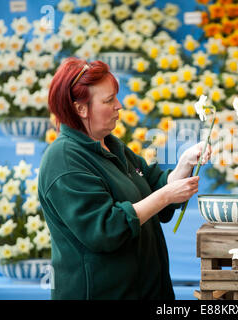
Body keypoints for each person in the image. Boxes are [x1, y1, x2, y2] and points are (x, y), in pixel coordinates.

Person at [38, 57, 211, 300]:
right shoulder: (64, 159)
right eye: (109, 100)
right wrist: (165, 196)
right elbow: (106, 229)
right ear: (81, 109)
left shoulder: (111, 145)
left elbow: (154, 188)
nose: (119, 106)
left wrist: (185, 163)